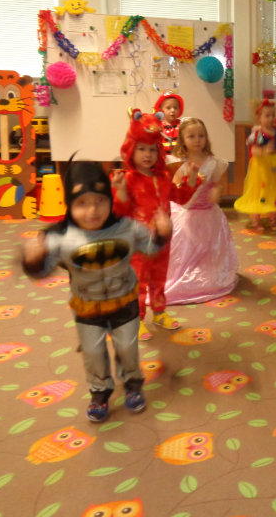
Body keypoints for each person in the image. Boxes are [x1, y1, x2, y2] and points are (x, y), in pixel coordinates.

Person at [22, 160, 172, 422]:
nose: (92, 211)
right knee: (92, 353)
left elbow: (150, 247)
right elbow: (41, 270)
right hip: (87, 306)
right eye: (82, 203)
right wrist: (33, 259)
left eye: (100, 201)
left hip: (124, 301)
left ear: (109, 200)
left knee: (128, 348)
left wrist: (161, 234)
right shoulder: (60, 237)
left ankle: (132, 385)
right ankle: (99, 393)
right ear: (69, 204)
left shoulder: (127, 227)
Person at [112, 109, 199, 341]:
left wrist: (191, 179)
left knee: (159, 278)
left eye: (152, 149)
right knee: (138, 281)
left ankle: (159, 312)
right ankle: (136, 319)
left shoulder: (162, 178)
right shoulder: (128, 179)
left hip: (162, 239)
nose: (147, 154)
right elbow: (119, 211)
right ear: (131, 149)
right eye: (142, 149)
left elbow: (181, 198)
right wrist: (120, 191)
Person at [164, 118, 239, 304]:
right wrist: (187, 182)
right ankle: (184, 275)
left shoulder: (214, 163)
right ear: (183, 140)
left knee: (209, 247)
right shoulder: (179, 163)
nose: (197, 140)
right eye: (191, 136)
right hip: (188, 213)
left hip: (209, 213)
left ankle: (209, 274)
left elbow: (218, 184)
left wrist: (217, 191)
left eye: (201, 136)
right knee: (186, 247)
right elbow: (175, 188)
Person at [233, 99, 276, 230]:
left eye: (273, 115)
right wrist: (262, 151)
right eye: (267, 116)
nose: (271, 118)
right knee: (259, 193)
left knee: (274, 192)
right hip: (261, 168)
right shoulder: (257, 134)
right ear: (259, 118)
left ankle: (273, 219)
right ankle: (256, 220)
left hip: (275, 166)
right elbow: (253, 150)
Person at [154, 92, 184, 158]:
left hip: (179, 158)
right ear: (161, 110)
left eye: (175, 108)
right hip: (163, 158)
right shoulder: (158, 126)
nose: (173, 110)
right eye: (168, 108)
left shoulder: (182, 125)